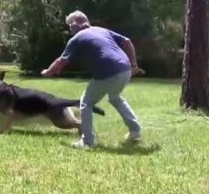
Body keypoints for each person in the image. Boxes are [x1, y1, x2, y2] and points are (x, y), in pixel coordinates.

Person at [41, 10, 143, 149]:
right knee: (115, 98)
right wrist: (134, 64)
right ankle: (135, 130)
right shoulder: (101, 30)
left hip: (108, 70)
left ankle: (87, 141)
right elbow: (127, 41)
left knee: (86, 102)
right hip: (125, 69)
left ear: (75, 23)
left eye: (70, 26)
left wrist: (48, 72)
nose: (70, 29)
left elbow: (62, 61)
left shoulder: (77, 38)